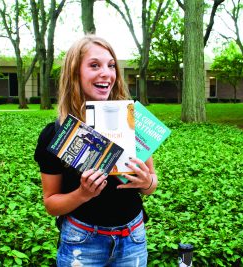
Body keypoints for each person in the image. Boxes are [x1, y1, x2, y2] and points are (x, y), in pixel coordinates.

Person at [34, 35, 158, 267]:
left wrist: (146, 182)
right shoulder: (58, 134)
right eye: (94, 65)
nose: (106, 73)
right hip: (82, 242)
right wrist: (83, 193)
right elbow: (51, 204)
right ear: (74, 73)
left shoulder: (133, 121)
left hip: (132, 239)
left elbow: (152, 184)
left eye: (111, 66)